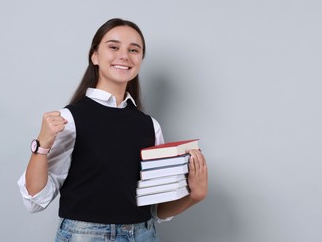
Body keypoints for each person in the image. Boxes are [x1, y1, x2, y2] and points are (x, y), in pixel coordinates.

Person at [17, 18, 208, 242]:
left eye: (134, 50)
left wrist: (195, 195)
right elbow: (35, 199)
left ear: (140, 60)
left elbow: (155, 209)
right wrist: (42, 145)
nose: (124, 56)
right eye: (114, 47)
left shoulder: (149, 126)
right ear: (95, 56)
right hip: (85, 236)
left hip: (142, 235)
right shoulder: (69, 119)